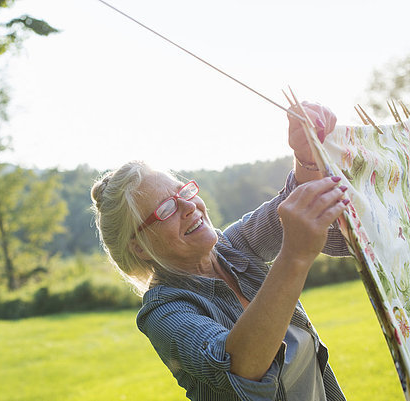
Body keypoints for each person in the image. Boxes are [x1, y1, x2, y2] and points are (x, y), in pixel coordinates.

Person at [90, 102, 350, 400]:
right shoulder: (164, 312)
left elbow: (292, 200)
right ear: (140, 248)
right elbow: (240, 367)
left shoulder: (234, 247)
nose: (189, 207)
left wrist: (306, 156)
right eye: (166, 209)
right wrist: (295, 257)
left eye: (183, 192)